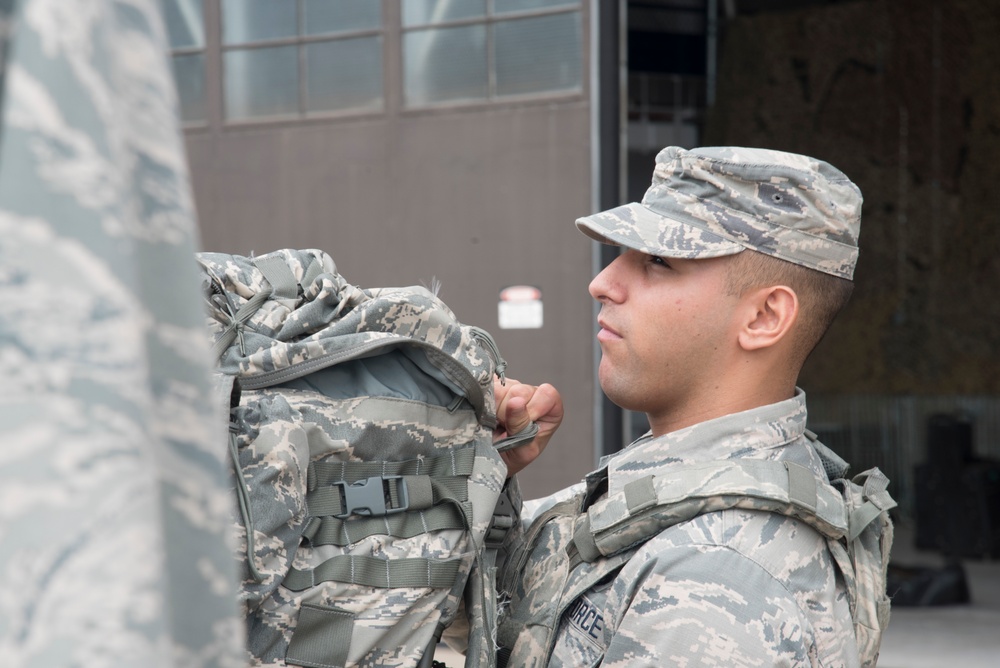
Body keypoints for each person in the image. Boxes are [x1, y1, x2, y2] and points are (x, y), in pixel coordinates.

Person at [490, 145, 872, 666]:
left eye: (657, 261)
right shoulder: (679, 491)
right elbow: (492, 606)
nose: (602, 283)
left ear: (764, 316)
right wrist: (484, 477)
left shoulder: (713, 577)